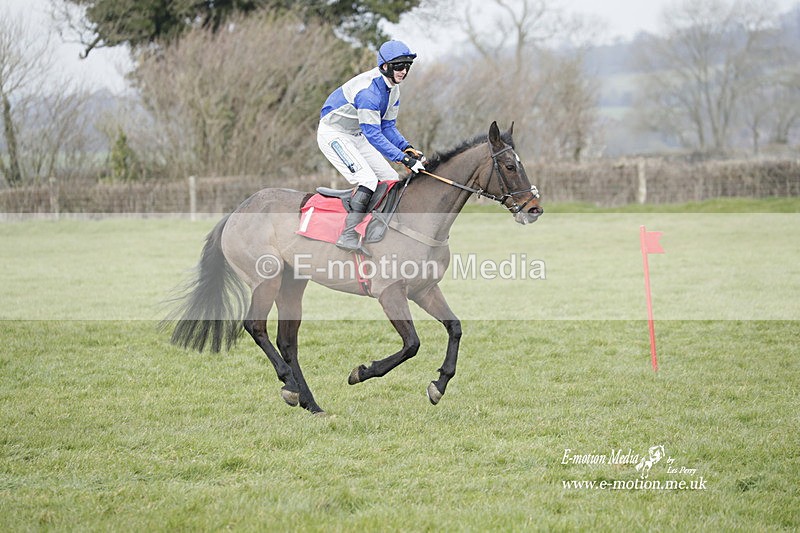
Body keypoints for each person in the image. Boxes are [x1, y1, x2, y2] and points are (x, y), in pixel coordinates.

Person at [318, 40, 427, 256]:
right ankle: (348, 234)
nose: (404, 71)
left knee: (391, 179)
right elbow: (373, 134)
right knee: (367, 180)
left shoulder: (393, 90)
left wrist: (407, 149)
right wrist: (403, 159)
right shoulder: (369, 93)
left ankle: (377, 228)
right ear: (385, 66)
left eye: (407, 66)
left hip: (356, 134)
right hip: (334, 134)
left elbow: (387, 127)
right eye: (399, 66)